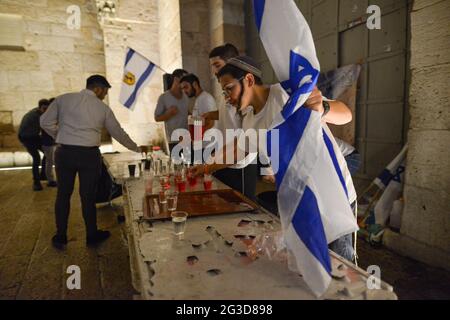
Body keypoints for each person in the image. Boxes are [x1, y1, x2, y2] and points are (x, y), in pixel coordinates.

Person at [191, 56, 356, 261]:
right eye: (224, 92)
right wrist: (206, 168)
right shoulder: (251, 120)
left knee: (341, 264)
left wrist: (324, 109)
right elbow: (238, 149)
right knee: (313, 264)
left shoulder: (286, 94)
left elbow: (346, 114)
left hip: (333, 195)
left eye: (229, 89)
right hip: (301, 200)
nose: (226, 98)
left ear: (249, 80)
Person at [40, 75, 147, 249]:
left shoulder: (64, 99)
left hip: (65, 152)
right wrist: (136, 148)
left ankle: (60, 236)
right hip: (88, 156)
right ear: (97, 89)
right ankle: (91, 234)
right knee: (87, 196)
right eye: (105, 91)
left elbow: (44, 122)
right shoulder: (102, 108)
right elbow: (117, 133)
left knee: (63, 194)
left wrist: (60, 135)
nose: (104, 95)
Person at [202, 44, 258, 200]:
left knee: (243, 210)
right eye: (213, 66)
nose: (214, 71)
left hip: (241, 163)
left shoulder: (244, 94)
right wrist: (210, 115)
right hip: (226, 157)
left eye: (217, 65)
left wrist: (208, 166)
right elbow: (229, 114)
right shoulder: (227, 89)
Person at [154, 69, 189, 154]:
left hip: (188, 140)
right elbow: (157, 118)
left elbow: (186, 112)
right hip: (174, 141)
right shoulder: (163, 97)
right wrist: (168, 114)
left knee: (190, 166)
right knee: (177, 166)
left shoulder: (186, 96)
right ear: (176, 79)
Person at [18, 99, 50, 191]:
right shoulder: (35, 116)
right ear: (40, 107)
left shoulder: (39, 113)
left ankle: (43, 174)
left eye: (47, 109)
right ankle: (36, 182)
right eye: (44, 108)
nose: (46, 111)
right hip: (27, 138)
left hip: (34, 136)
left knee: (47, 153)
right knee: (36, 158)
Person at [40, 97, 57, 187]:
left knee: (50, 161)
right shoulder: (47, 116)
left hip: (50, 142)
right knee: (49, 162)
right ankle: (50, 180)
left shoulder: (48, 115)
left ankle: (51, 179)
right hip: (48, 142)